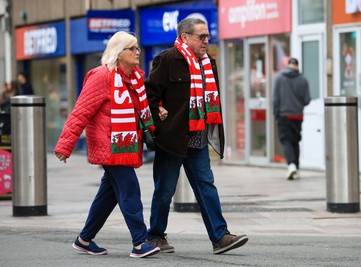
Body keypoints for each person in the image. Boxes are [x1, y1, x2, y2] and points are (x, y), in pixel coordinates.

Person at [145, 18, 248, 255]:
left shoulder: (208, 63)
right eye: (201, 37)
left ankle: (220, 237)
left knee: (206, 185)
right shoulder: (167, 59)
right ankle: (156, 236)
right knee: (164, 189)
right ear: (184, 37)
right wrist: (158, 118)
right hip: (172, 138)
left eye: (207, 36)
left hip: (198, 137)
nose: (206, 41)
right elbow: (149, 95)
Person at [54, 31, 160, 258]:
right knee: (129, 188)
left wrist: (156, 111)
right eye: (132, 49)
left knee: (109, 194)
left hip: (125, 144)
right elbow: (80, 112)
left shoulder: (133, 78)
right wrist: (65, 145)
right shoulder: (102, 76)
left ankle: (84, 239)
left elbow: (136, 109)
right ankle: (140, 243)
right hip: (111, 145)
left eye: (137, 48)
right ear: (118, 52)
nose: (137, 52)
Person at [273, 58, 311, 180]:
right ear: (297, 66)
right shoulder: (303, 80)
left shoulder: (279, 78)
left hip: (284, 115)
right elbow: (307, 100)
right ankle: (296, 167)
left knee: (286, 140)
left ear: (287, 65)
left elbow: (275, 100)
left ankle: (291, 165)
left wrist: (276, 114)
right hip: (298, 115)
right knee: (295, 141)